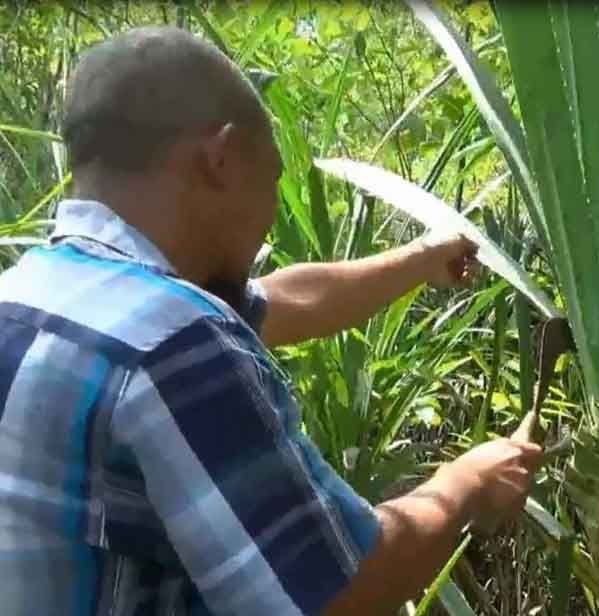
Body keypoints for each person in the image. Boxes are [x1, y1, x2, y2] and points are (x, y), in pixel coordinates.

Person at [0, 26, 542, 616]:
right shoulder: (176, 342)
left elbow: (288, 299)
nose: (270, 213)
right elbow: (336, 592)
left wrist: (419, 259)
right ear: (222, 158)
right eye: (274, 178)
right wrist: (467, 486)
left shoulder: (32, 297)